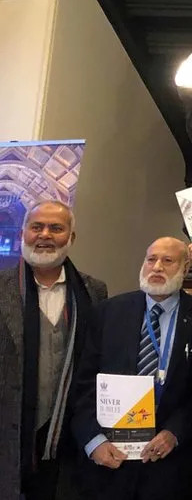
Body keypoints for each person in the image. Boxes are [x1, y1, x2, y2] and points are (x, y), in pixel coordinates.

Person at [70, 237, 192, 500]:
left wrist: (175, 433)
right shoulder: (108, 312)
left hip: (170, 462)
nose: (157, 267)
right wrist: (93, 441)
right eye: (151, 259)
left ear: (186, 268)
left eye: (168, 260)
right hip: (109, 458)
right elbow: (83, 385)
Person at [0, 201, 108, 500]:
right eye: (37, 227)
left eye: (56, 228)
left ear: (71, 237)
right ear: (23, 233)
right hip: (7, 433)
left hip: (65, 437)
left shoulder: (93, 291)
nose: (45, 235)